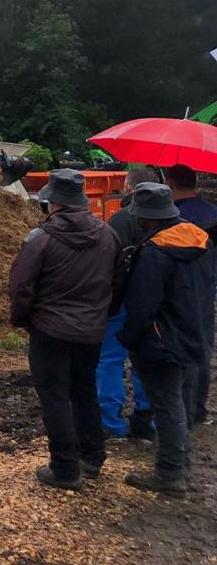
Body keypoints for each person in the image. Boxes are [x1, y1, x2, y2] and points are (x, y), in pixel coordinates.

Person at [9, 169, 121, 490]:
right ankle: (92, 457)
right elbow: (118, 282)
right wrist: (99, 314)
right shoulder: (107, 235)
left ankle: (65, 468)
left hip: (50, 331)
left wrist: (23, 320)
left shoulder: (40, 239)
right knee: (85, 391)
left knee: (55, 396)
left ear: (52, 203)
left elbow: (20, 288)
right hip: (90, 332)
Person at [119, 182, 214, 497]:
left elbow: (143, 304)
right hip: (194, 333)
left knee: (167, 404)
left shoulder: (155, 253)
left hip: (161, 341)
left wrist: (130, 337)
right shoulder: (200, 242)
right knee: (181, 402)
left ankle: (170, 473)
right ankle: (181, 463)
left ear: (148, 217)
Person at [99, 168, 160, 439]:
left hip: (121, 303)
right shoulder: (171, 223)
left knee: (110, 359)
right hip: (155, 304)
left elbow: (109, 265)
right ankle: (146, 418)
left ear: (129, 188)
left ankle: (110, 421)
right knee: (146, 360)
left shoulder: (120, 221)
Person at [163, 164, 217, 427]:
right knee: (202, 348)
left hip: (176, 293)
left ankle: (179, 408)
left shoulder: (172, 217)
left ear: (171, 185)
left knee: (176, 350)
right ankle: (198, 409)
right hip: (206, 290)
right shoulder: (211, 212)